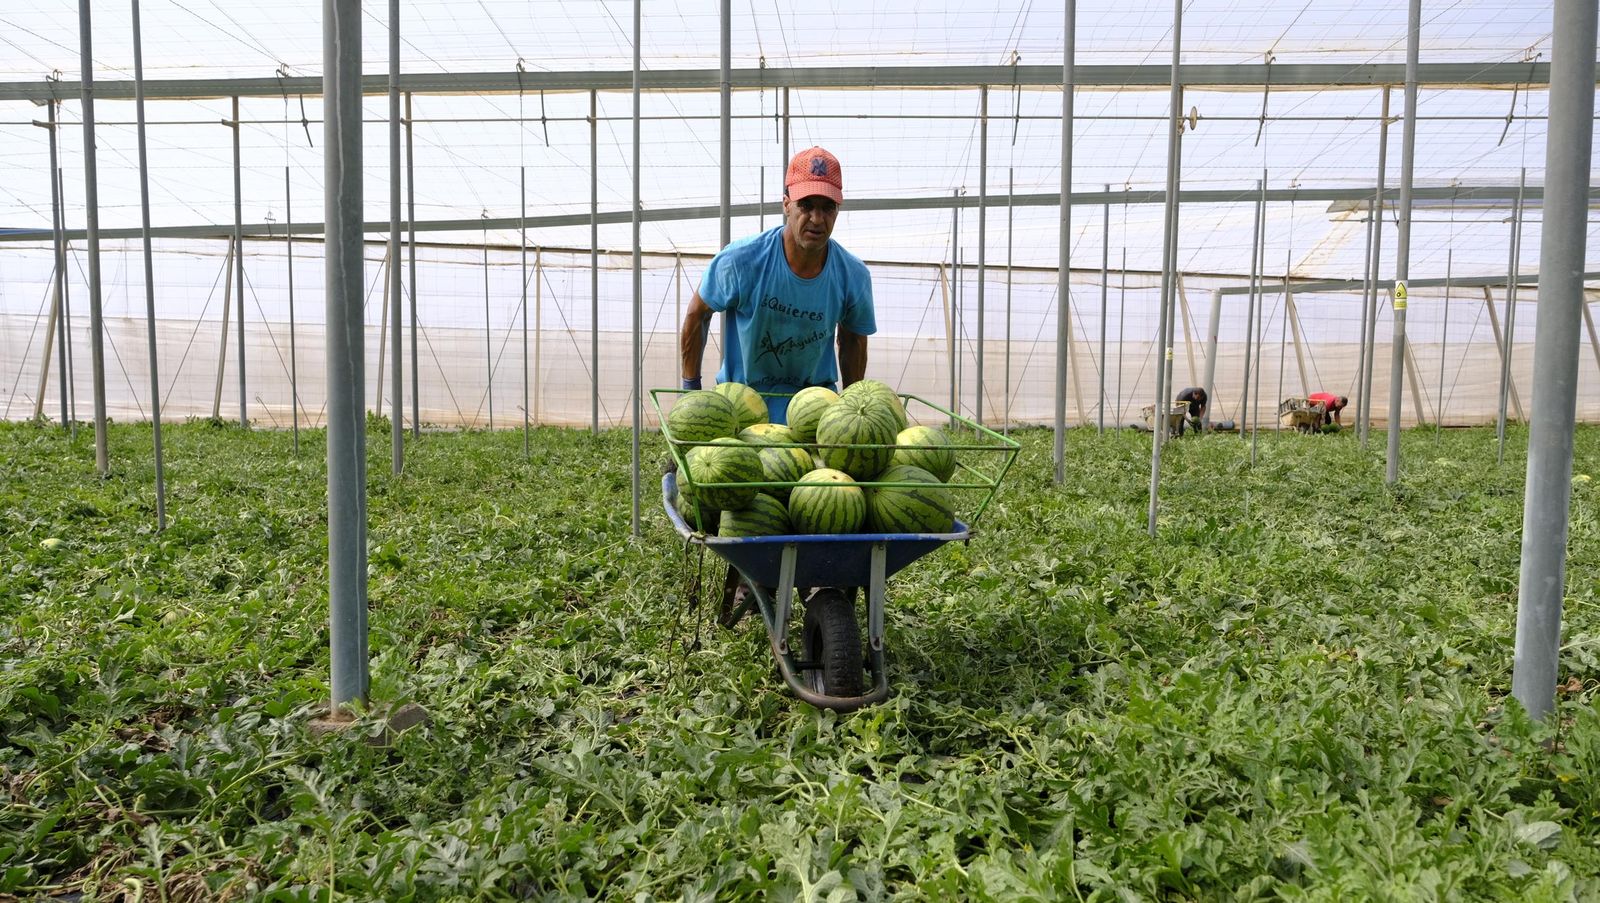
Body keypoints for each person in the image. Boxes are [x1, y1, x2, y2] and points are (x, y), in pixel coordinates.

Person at [679, 146, 876, 423]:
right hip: (741, 408)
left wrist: (853, 415)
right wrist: (690, 391)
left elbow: (853, 340)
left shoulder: (853, 275)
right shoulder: (741, 261)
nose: (817, 219)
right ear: (786, 204)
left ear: (838, 209)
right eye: (806, 205)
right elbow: (697, 314)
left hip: (815, 414)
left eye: (827, 207)